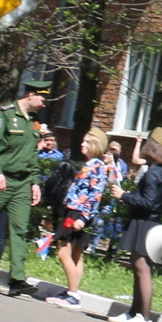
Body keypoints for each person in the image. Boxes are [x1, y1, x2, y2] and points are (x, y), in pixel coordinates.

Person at [0, 78, 49, 294]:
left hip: (22, 182)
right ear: (30, 95)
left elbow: (32, 154)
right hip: (0, 179)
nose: (45, 102)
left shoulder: (34, 120)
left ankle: (16, 279)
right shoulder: (5, 114)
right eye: (43, 97)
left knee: (20, 229)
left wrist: (34, 182)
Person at [117, 135, 162, 322]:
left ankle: (144, 315)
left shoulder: (154, 173)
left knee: (142, 269)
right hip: (149, 223)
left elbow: (148, 202)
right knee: (138, 266)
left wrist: (124, 195)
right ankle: (134, 312)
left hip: (144, 223)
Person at [48, 131, 112, 306]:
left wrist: (83, 218)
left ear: (95, 144)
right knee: (76, 253)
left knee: (63, 251)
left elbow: (95, 195)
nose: (82, 144)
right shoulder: (92, 164)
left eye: (86, 141)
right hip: (76, 211)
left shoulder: (96, 166)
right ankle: (72, 290)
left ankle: (73, 294)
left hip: (77, 213)